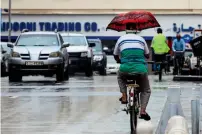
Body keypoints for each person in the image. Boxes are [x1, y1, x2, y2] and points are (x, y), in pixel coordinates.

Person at [113, 23, 151, 121]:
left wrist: (119, 60)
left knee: (120, 77)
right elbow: (147, 55)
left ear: (125, 29)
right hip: (140, 70)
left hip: (125, 69)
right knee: (146, 90)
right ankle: (143, 111)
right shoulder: (141, 39)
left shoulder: (121, 39)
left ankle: (124, 95)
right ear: (136, 30)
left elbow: (115, 55)